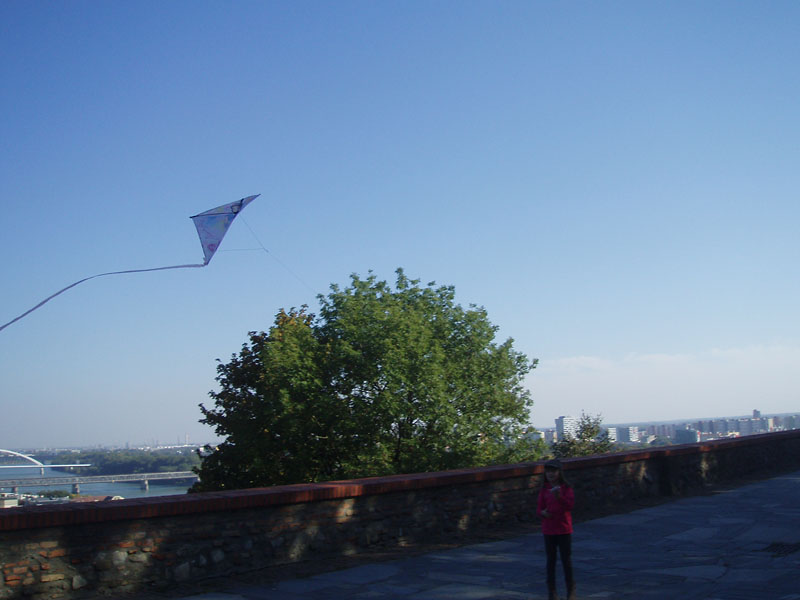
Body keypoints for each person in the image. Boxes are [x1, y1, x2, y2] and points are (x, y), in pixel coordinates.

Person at [537, 458, 576, 600]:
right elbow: (539, 508)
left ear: (559, 473)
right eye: (548, 471)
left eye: (553, 471)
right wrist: (543, 513)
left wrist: (559, 497)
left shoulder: (566, 489)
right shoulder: (544, 490)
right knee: (551, 561)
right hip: (549, 529)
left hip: (563, 529)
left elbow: (570, 506)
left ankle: (570, 590)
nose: (550, 474)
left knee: (566, 560)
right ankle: (552, 592)